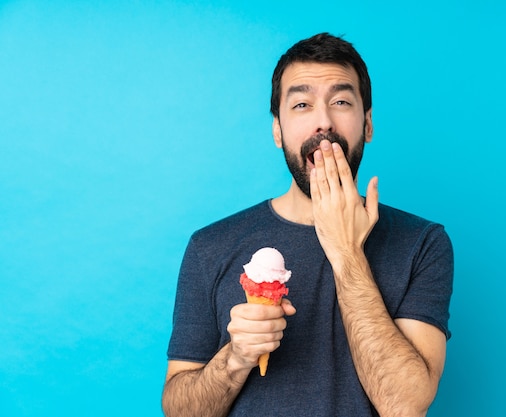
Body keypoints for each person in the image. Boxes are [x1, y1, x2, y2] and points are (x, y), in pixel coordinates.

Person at [162, 32, 453, 417]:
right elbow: (179, 411)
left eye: (341, 102)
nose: (323, 122)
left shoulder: (422, 243)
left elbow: (403, 405)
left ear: (367, 124)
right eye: (301, 104)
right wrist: (234, 358)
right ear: (277, 130)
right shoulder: (209, 246)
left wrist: (347, 253)